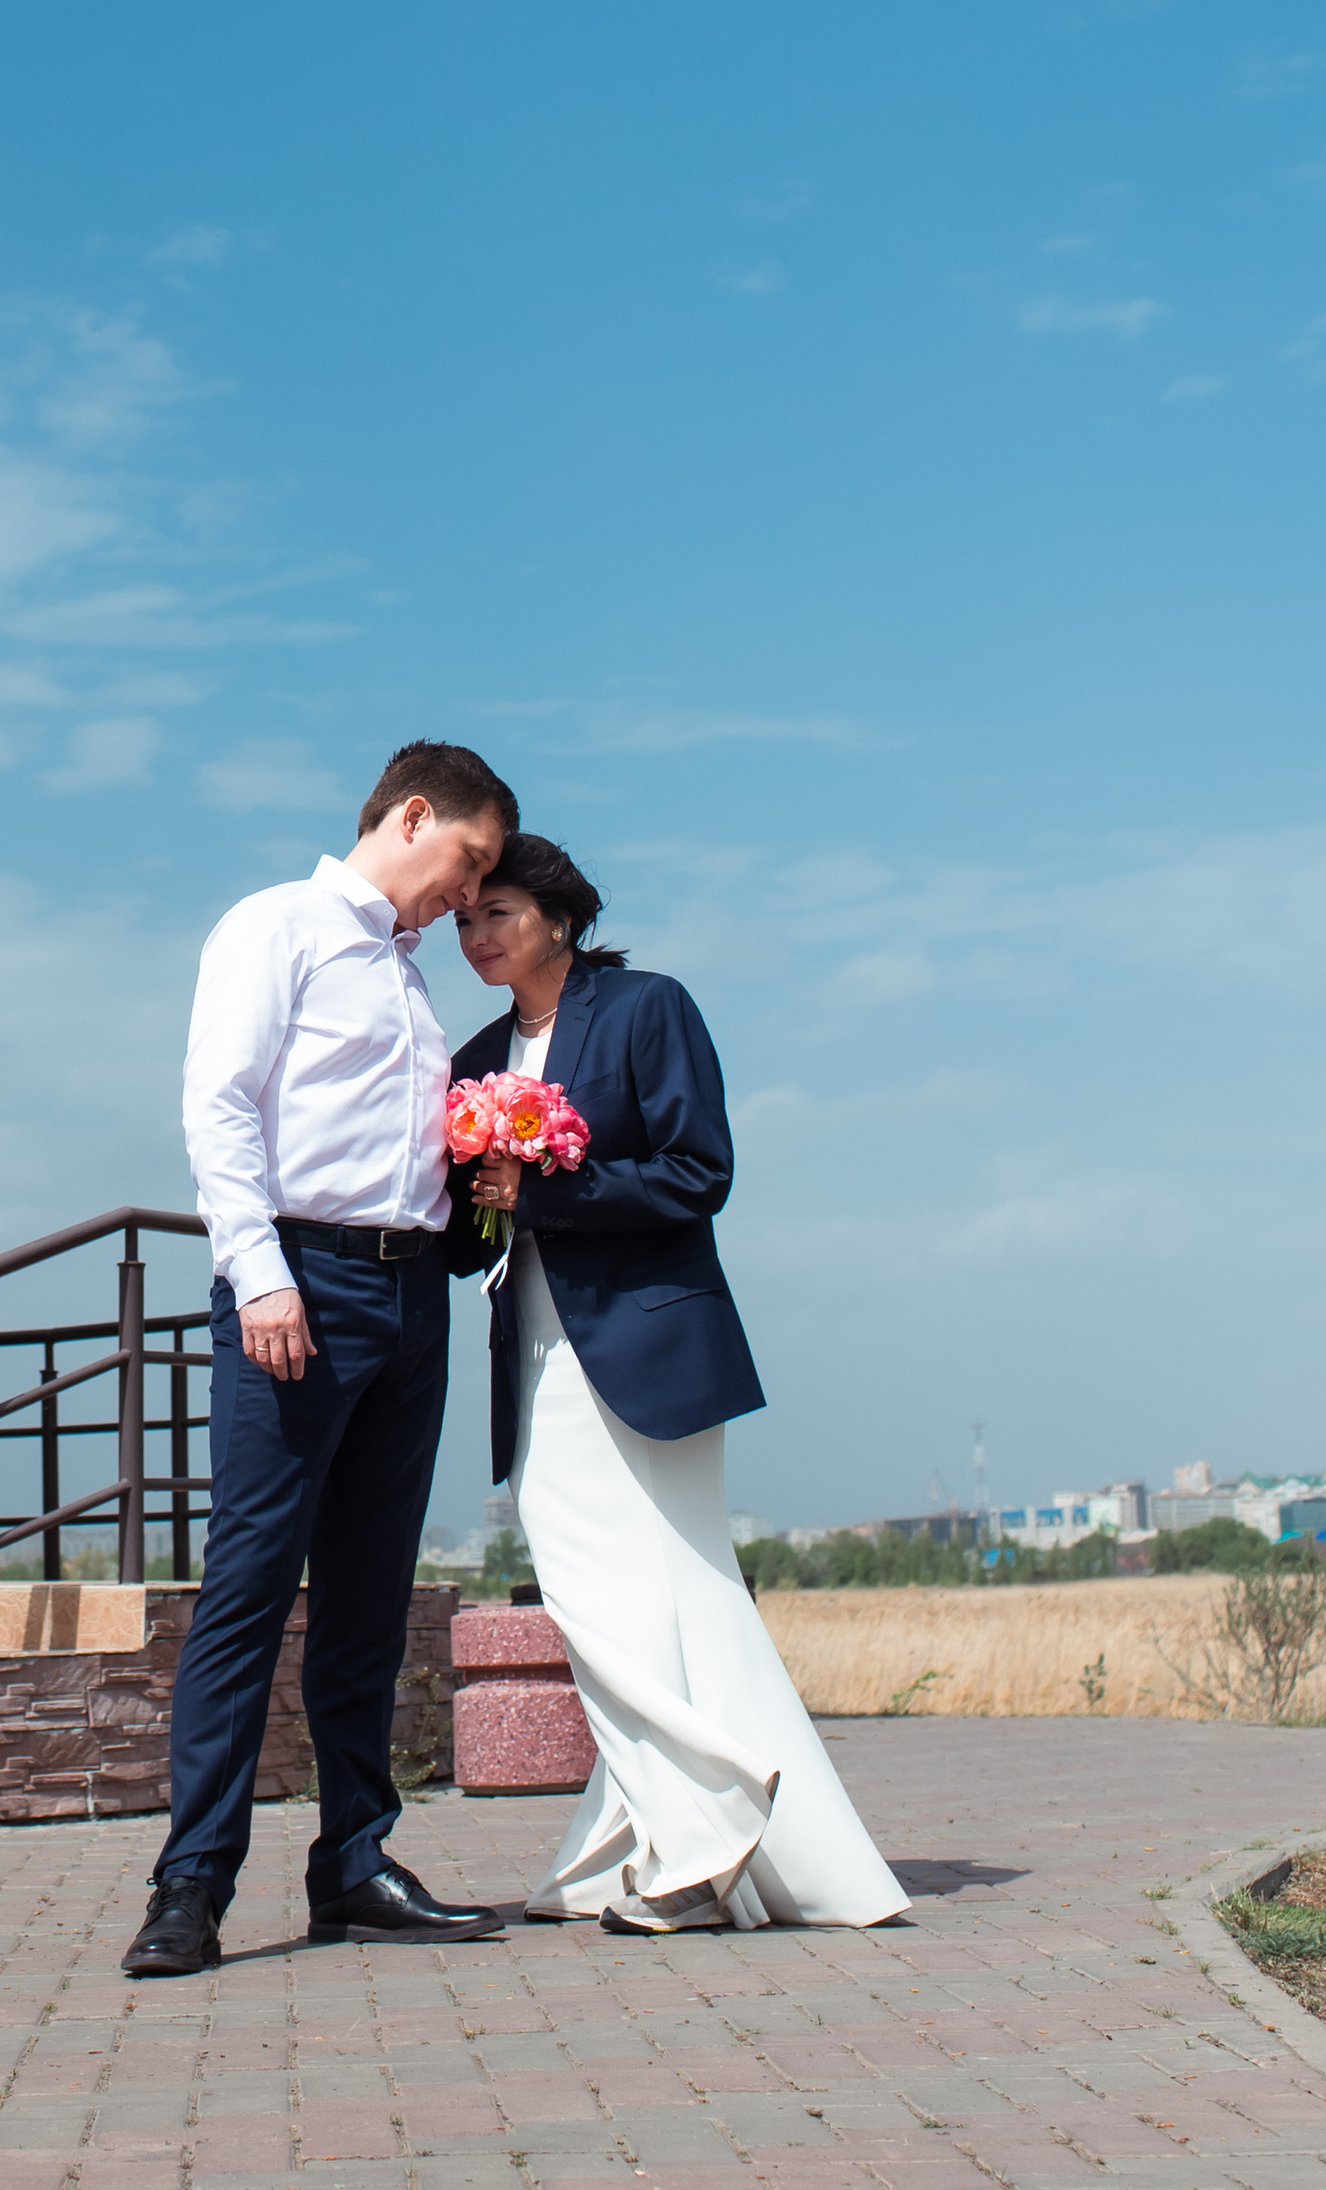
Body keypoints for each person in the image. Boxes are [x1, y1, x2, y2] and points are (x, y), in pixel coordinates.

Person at [451, 833, 908, 1933]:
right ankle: (671, 1835)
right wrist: (477, 1191)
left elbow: (699, 1173)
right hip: (542, 1351)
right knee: (599, 1592)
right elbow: (473, 1240)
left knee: (680, 1587)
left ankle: (705, 1829)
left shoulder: (647, 1006)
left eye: (497, 911)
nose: (475, 936)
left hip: (651, 1343)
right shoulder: (474, 1053)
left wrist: (549, 1185)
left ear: (560, 916)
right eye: (463, 919)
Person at [120, 742, 522, 1979]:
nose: (468, 897)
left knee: (367, 1602)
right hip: (301, 1287)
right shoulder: (277, 925)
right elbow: (219, 1104)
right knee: (246, 1591)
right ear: (412, 815)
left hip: (410, 1302)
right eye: (469, 863)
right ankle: (191, 1884)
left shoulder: (407, 987)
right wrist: (261, 1274)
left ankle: (354, 1860)